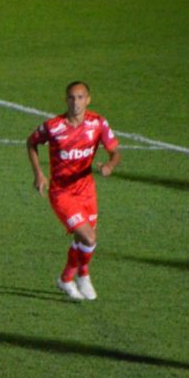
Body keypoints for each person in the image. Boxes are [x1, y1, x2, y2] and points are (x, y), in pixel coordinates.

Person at [27, 81, 121, 301]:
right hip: (62, 193)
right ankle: (83, 276)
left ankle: (66, 278)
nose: (76, 102)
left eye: (80, 97)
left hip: (87, 190)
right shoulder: (53, 126)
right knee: (89, 237)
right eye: (71, 97)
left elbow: (115, 151)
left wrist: (110, 165)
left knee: (83, 240)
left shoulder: (97, 123)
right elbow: (31, 142)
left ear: (88, 99)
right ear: (65, 99)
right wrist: (38, 173)